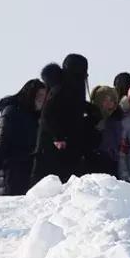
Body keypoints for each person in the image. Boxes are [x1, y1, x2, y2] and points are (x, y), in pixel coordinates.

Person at [34, 54, 99, 185]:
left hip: (65, 143)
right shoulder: (62, 88)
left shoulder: (68, 86)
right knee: (55, 182)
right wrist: (58, 137)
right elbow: (48, 114)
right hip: (57, 145)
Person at [0, 79, 45, 196]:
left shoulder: (35, 116)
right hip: (12, 168)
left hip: (28, 167)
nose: (42, 99)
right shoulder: (12, 111)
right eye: (40, 95)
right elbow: (2, 139)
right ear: (31, 95)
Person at [90, 85, 122, 176]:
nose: (109, 103)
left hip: (114, 165)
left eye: (112, 100)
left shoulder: (118, 121)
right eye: (105, 100)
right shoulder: (90, 120)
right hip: (94, 165)